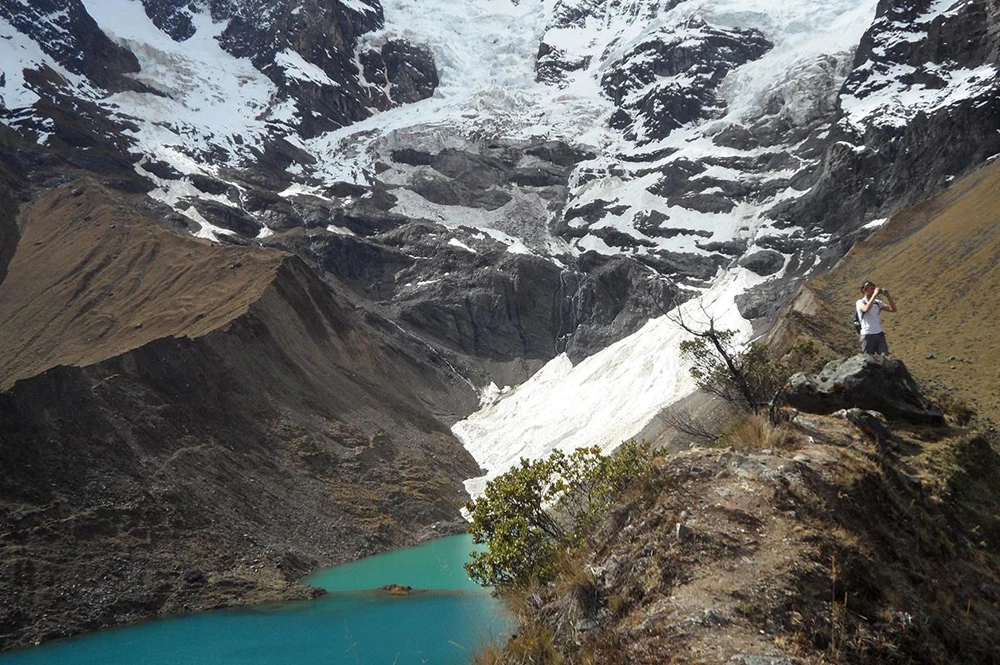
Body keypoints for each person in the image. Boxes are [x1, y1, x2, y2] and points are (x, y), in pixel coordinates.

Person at [856, 280, 897, 354]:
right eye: (871, 288)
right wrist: (874, 295)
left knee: (885, 356)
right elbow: (866, 309)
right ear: (865, 290)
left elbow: (893, 309)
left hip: (879, 334)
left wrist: (888, 296)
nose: (873, 291)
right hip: (867, 335)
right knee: (868, 358)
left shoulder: (877, 302)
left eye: (874, 289)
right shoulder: (860, 302)